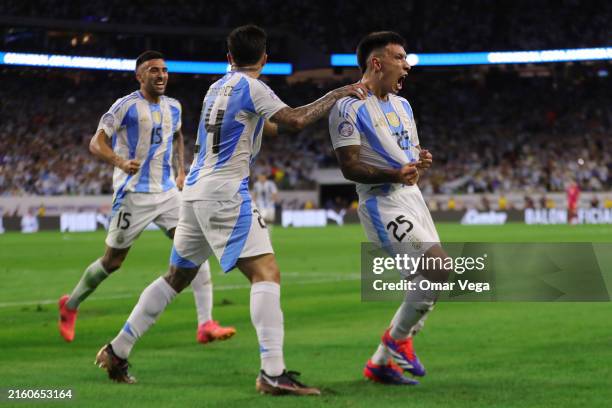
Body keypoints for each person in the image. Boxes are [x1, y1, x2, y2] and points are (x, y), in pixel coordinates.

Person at [94, 25, 367, 395]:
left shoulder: (216, 87)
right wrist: (337, 93)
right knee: (266, 273)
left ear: (229, 58)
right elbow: (296, 120)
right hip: (224, 192)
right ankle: (273, 372)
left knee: (177, 276)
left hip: (193, 190)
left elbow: (265, 127)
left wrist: (272, 122)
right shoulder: (253, 87)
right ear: (265, 59)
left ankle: (118, 349)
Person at [58, 51, 235, 345]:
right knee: (112, 261)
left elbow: (177, 136)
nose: (161, 75)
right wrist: (118, 161)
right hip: (132, 194)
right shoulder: (125, 106)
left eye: (164, 70)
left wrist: (181, 172)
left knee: (195, 248)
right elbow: (96, 142)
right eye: (153, 70)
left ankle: (206, 324)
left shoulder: (174, 107)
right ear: (140, 76)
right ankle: (71, 304)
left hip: (167, 193)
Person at [329, 31, 450, 385]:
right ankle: (396, 341)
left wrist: (417, 161)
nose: (407, 66)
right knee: (437, 269)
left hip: (411, 199)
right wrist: (394, 171)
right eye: (400, 58)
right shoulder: (347, 106)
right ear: (376, 62)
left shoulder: (403, 105)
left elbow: (407, 155)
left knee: (430, 283)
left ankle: (380, 363)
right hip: (381, 201)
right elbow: (349, 166)